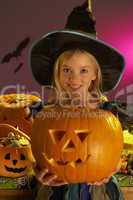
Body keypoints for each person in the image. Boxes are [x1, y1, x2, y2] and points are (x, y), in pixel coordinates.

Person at [29, 29, 125, 200]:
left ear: (95, 74)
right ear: (57, 73)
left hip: (99, 192)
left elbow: (116, 156)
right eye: (66, 70)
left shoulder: (107, 110)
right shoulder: (46, 112)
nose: (74, 78)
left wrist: (110, 170)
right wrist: (37, 170)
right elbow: (37, 151)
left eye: (83, 71)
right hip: (56, 191)